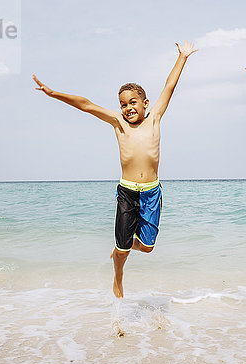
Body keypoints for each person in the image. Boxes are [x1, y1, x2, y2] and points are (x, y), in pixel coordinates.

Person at [33, 41, 197, 298]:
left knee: (148, 247)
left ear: (145, 103)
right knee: (121, 249)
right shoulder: (118, 123)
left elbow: (170, 85)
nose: (128, 108)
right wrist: (54, 94)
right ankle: (118, 276)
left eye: (133, 102)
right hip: (128, 192)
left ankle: (126, 244)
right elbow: (86, 105)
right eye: (123, 104)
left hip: (152, 192)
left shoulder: (154, 118)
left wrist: (182, 57)